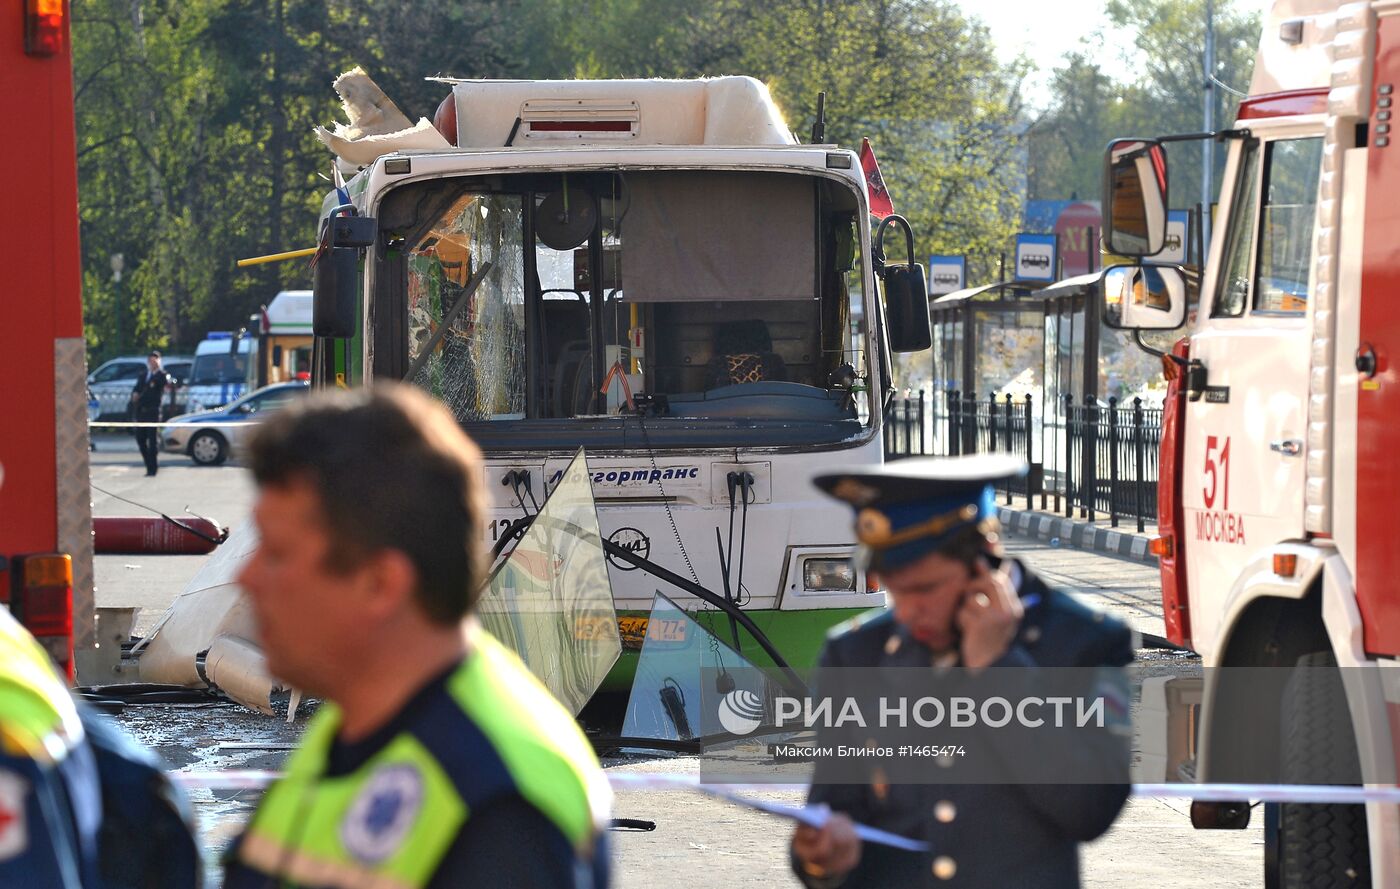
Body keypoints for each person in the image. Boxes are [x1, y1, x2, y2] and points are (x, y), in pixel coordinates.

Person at [224, 384, 612, 889]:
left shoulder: (498, 800)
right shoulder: (355, 722)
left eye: (276, 553)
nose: (246, 578)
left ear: (381, 585)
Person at [790, 454, 1133, 888]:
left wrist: (997, 671)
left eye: (926, 589)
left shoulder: (1081, 641)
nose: (908, 611)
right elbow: (830, 806)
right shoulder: (855, 653)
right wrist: (822, 857)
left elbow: (1090, 810)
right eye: (895, 590)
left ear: (984, 559)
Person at [129, 350, 169, 476]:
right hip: (141, 412)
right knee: (141, 440)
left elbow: (160, 384)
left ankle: (153, 468)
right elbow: (137, 388)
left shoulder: (161, 375)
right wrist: (135, 394)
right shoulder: (143, 375)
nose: (153, 363)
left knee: (152, 442)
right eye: (151, 361)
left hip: (153, 412)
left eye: (155, 360)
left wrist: (154, 375)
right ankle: (148, 465)